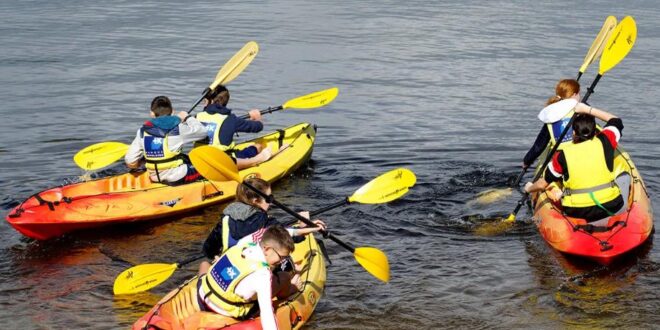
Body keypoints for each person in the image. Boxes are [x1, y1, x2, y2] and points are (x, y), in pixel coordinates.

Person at [198, 177, 326, 274]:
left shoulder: (226, 218)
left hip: (230, 267)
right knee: (286, 260)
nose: (271, 202)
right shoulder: (262, 220)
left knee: (204, 263)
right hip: (251, 271)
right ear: (255, 201)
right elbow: (284, 237)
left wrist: (216, 256)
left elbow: (208, 249)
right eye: (269, 198)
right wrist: (305, 227)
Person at [524, 102, 624, 222]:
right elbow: (616, 120)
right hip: (612, 204)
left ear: (574, 133)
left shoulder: (562, 156)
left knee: (556, 185)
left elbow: (542, 184)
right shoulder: (606, 140)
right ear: (595, 131)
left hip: (577, 211)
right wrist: (587, 109)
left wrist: (529, 188)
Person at [197, 225, 298, 330]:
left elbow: (261, 232)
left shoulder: (241, 245)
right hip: (226, 311)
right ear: (267, 249)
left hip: (202, 297)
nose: (282, 261)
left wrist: (297, 231)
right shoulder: (263, 274)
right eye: (281, 257)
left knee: (204, 264)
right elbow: (266, 311)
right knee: (284, 276)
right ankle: (293, 288)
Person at [125, 96, 208, 184]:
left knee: (184, 157)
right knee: (206, 166)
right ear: (172, 112)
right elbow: (203, 132)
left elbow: (130, 160)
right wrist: (188, 118)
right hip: (176, 177)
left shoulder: (142, 131)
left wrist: (141, 162)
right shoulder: (178, 128)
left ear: (152, 113)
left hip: (154, 176)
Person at [196, 85, 275, 169]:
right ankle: (257, 160)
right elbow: (258, 127)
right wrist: (257, 118)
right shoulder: (231, 119)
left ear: (209, 101)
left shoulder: (196, 117)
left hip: (199, 160)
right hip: (224, 162)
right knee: (258, 146)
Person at [523, 79, 581, 169]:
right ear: (574, 94)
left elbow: (540, 144)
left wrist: (527, 161)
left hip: (560, 157)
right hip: (578, 154)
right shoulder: (583, 109)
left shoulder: (552, 114)